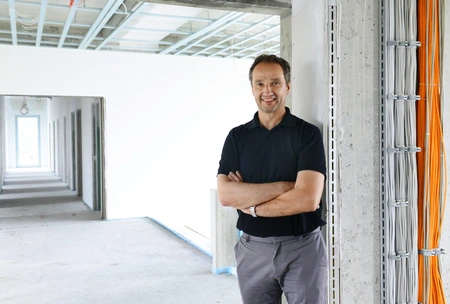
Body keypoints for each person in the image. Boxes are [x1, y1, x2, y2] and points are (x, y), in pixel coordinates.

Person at [216, 54, 327, 304]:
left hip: (303, 247)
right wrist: (286, 187)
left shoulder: (307, 134)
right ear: (252, 88)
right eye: (260, 83)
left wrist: (251, 205)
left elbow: (308, 199)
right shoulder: (237, 137)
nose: (268, 91)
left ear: (287, 86)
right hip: (252, 249)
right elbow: (226, 195)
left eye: (275, 82)